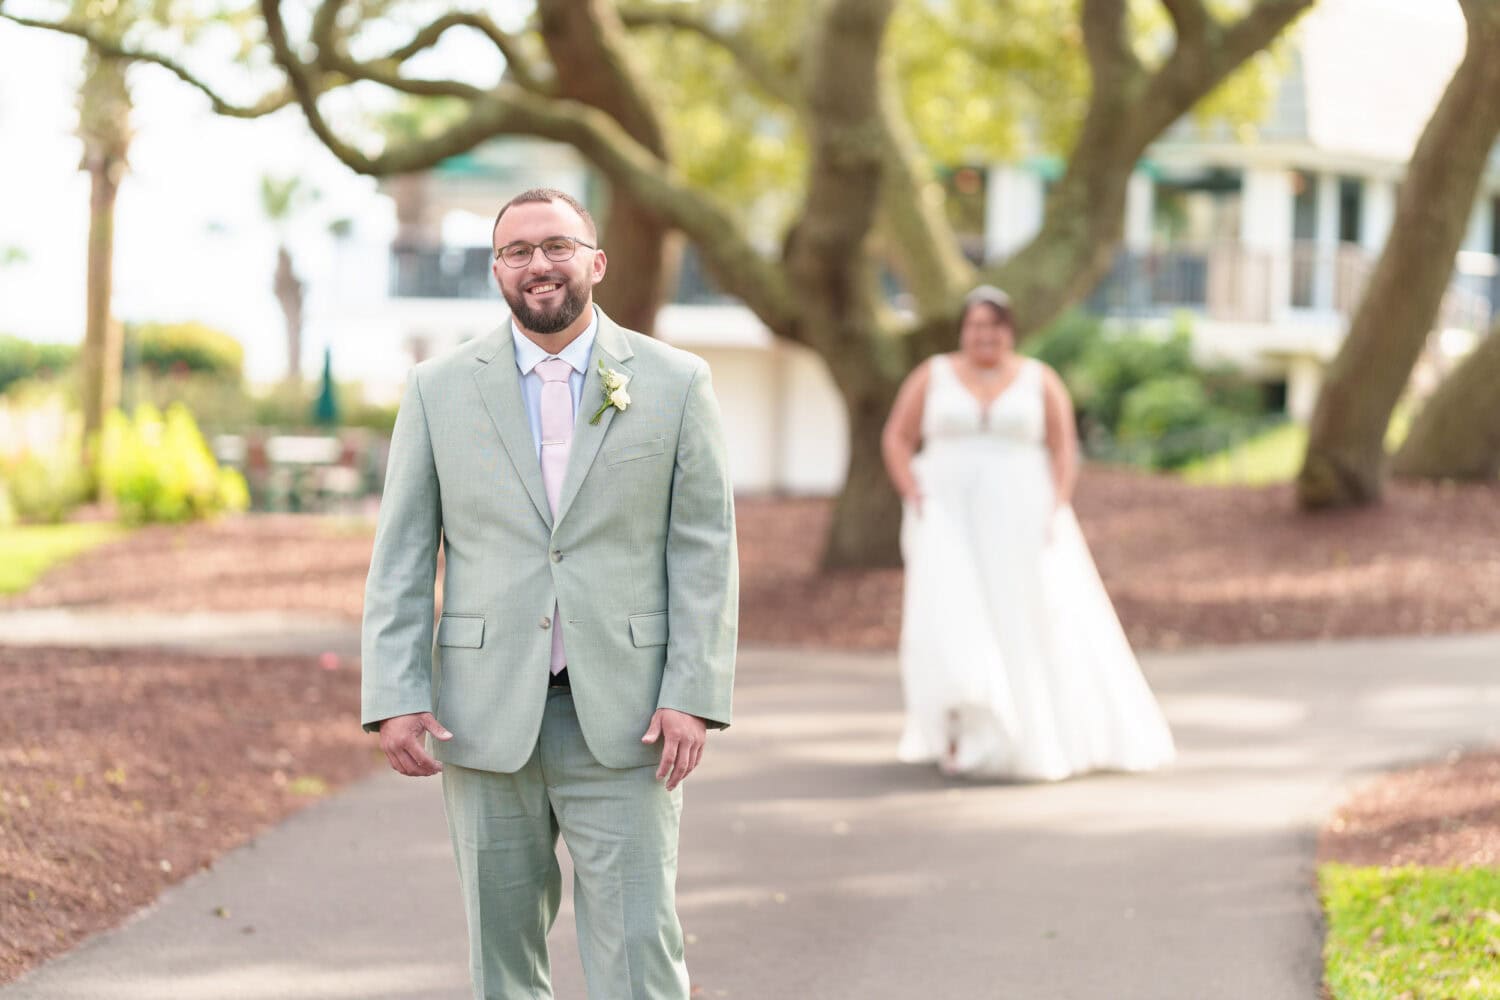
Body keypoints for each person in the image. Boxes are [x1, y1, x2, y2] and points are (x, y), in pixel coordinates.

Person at [361, 187, 738, 999]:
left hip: (632, 718)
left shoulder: (675, 383)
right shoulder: (438, 387)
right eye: (517, 251)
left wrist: (693, 694)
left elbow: (704, 550)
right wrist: (394, 692)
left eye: (557, 246)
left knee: (640, 947)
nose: (539, 264)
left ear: (595, 261)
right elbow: (402, 556)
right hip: (483, 711)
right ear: (497, 271)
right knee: (502, 956)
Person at [881, 284, 1174, 781]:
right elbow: (897, 436)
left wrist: (1057, 503)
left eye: (994, 326)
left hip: (1021, 519)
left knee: (1028, 615)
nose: (984, 336)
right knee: (953, 618)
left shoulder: (1040, 380)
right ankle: (963, 730)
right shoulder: (932, 375)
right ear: (963, 330)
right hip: (947, 520)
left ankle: (1037, 727)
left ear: (1010, 331)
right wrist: (912, 491)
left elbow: (1063, 447)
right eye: (975, 326)